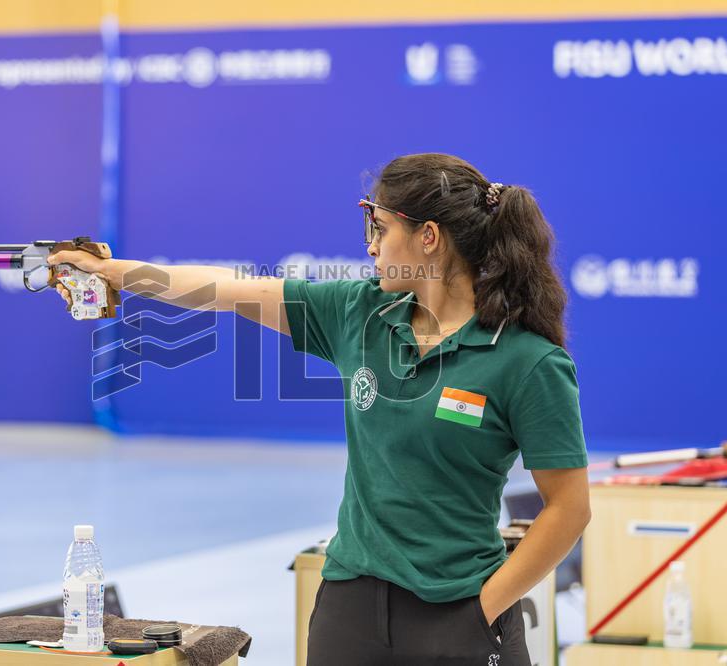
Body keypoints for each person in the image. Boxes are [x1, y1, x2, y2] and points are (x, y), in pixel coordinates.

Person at [48, 153, 591, 665]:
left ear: (428, 237)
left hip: (461, 610)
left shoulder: (528, 361)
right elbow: (224, 288)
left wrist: (482, 610)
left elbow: (569, 509)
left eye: (380, 228)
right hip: (349, 606)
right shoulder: (360, 311)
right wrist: (113, 271)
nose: (371, 246)